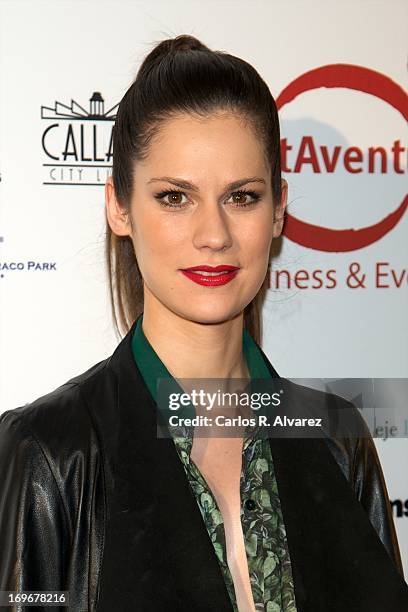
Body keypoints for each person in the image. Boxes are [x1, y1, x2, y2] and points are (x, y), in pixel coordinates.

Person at [0, 34, 407, 612]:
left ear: (280, 210)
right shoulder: (48, 453)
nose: (213, 235)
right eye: (175, 197)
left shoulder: (336, 439)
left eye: (242, 196)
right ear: (119, 206)